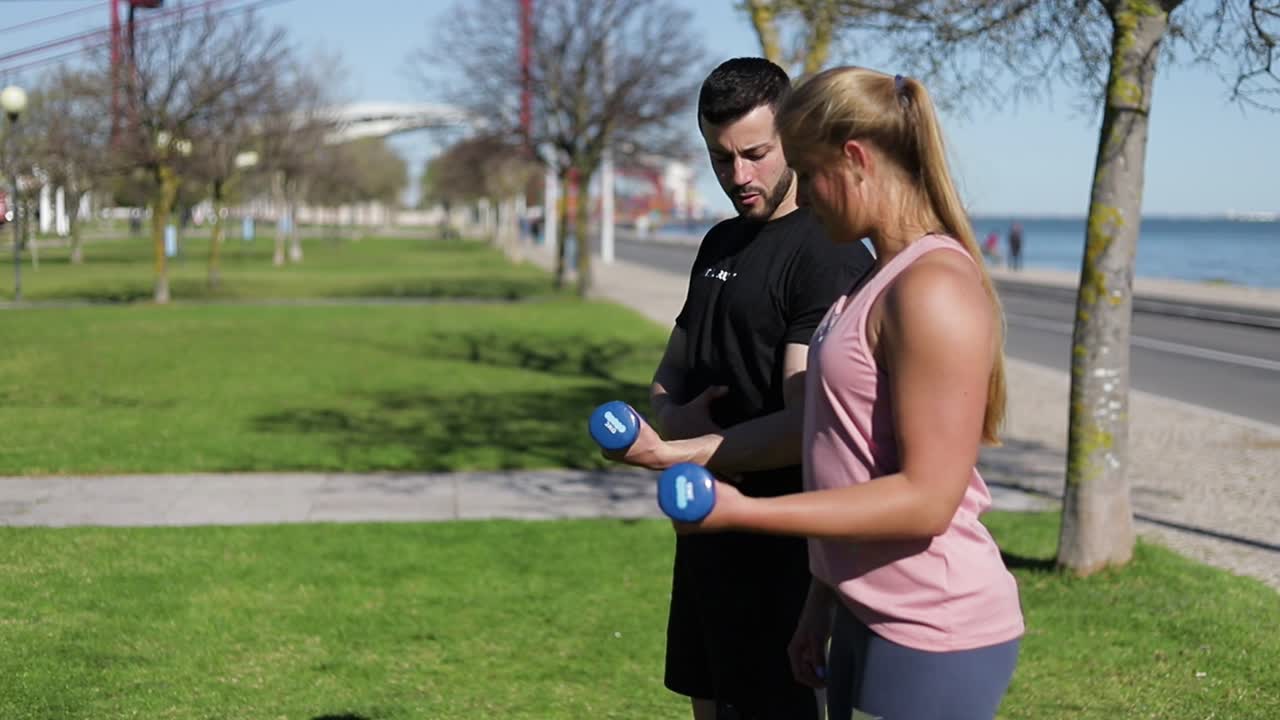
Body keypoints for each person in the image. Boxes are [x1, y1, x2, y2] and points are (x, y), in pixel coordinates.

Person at [668, 67, 1026, 720]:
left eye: (807, 169)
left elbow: (924, 501)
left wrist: (739, 512)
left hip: (930, 626)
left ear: (855, 160)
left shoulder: (933, 287)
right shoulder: (878, 280)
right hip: (867, 610)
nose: (802, 197)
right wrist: (821, 602)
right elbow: (854, 456)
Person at [605, 57, 874, 719]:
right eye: (720, 159)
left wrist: (677, 451)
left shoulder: (826, 249)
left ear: (796, 139)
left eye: (755, 154)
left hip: (780, 550)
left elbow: (802, 425)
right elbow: (671, 371)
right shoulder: (719, 241)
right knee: (710, 704)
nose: (738, 177)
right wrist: (670, 416)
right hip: (704, 536)